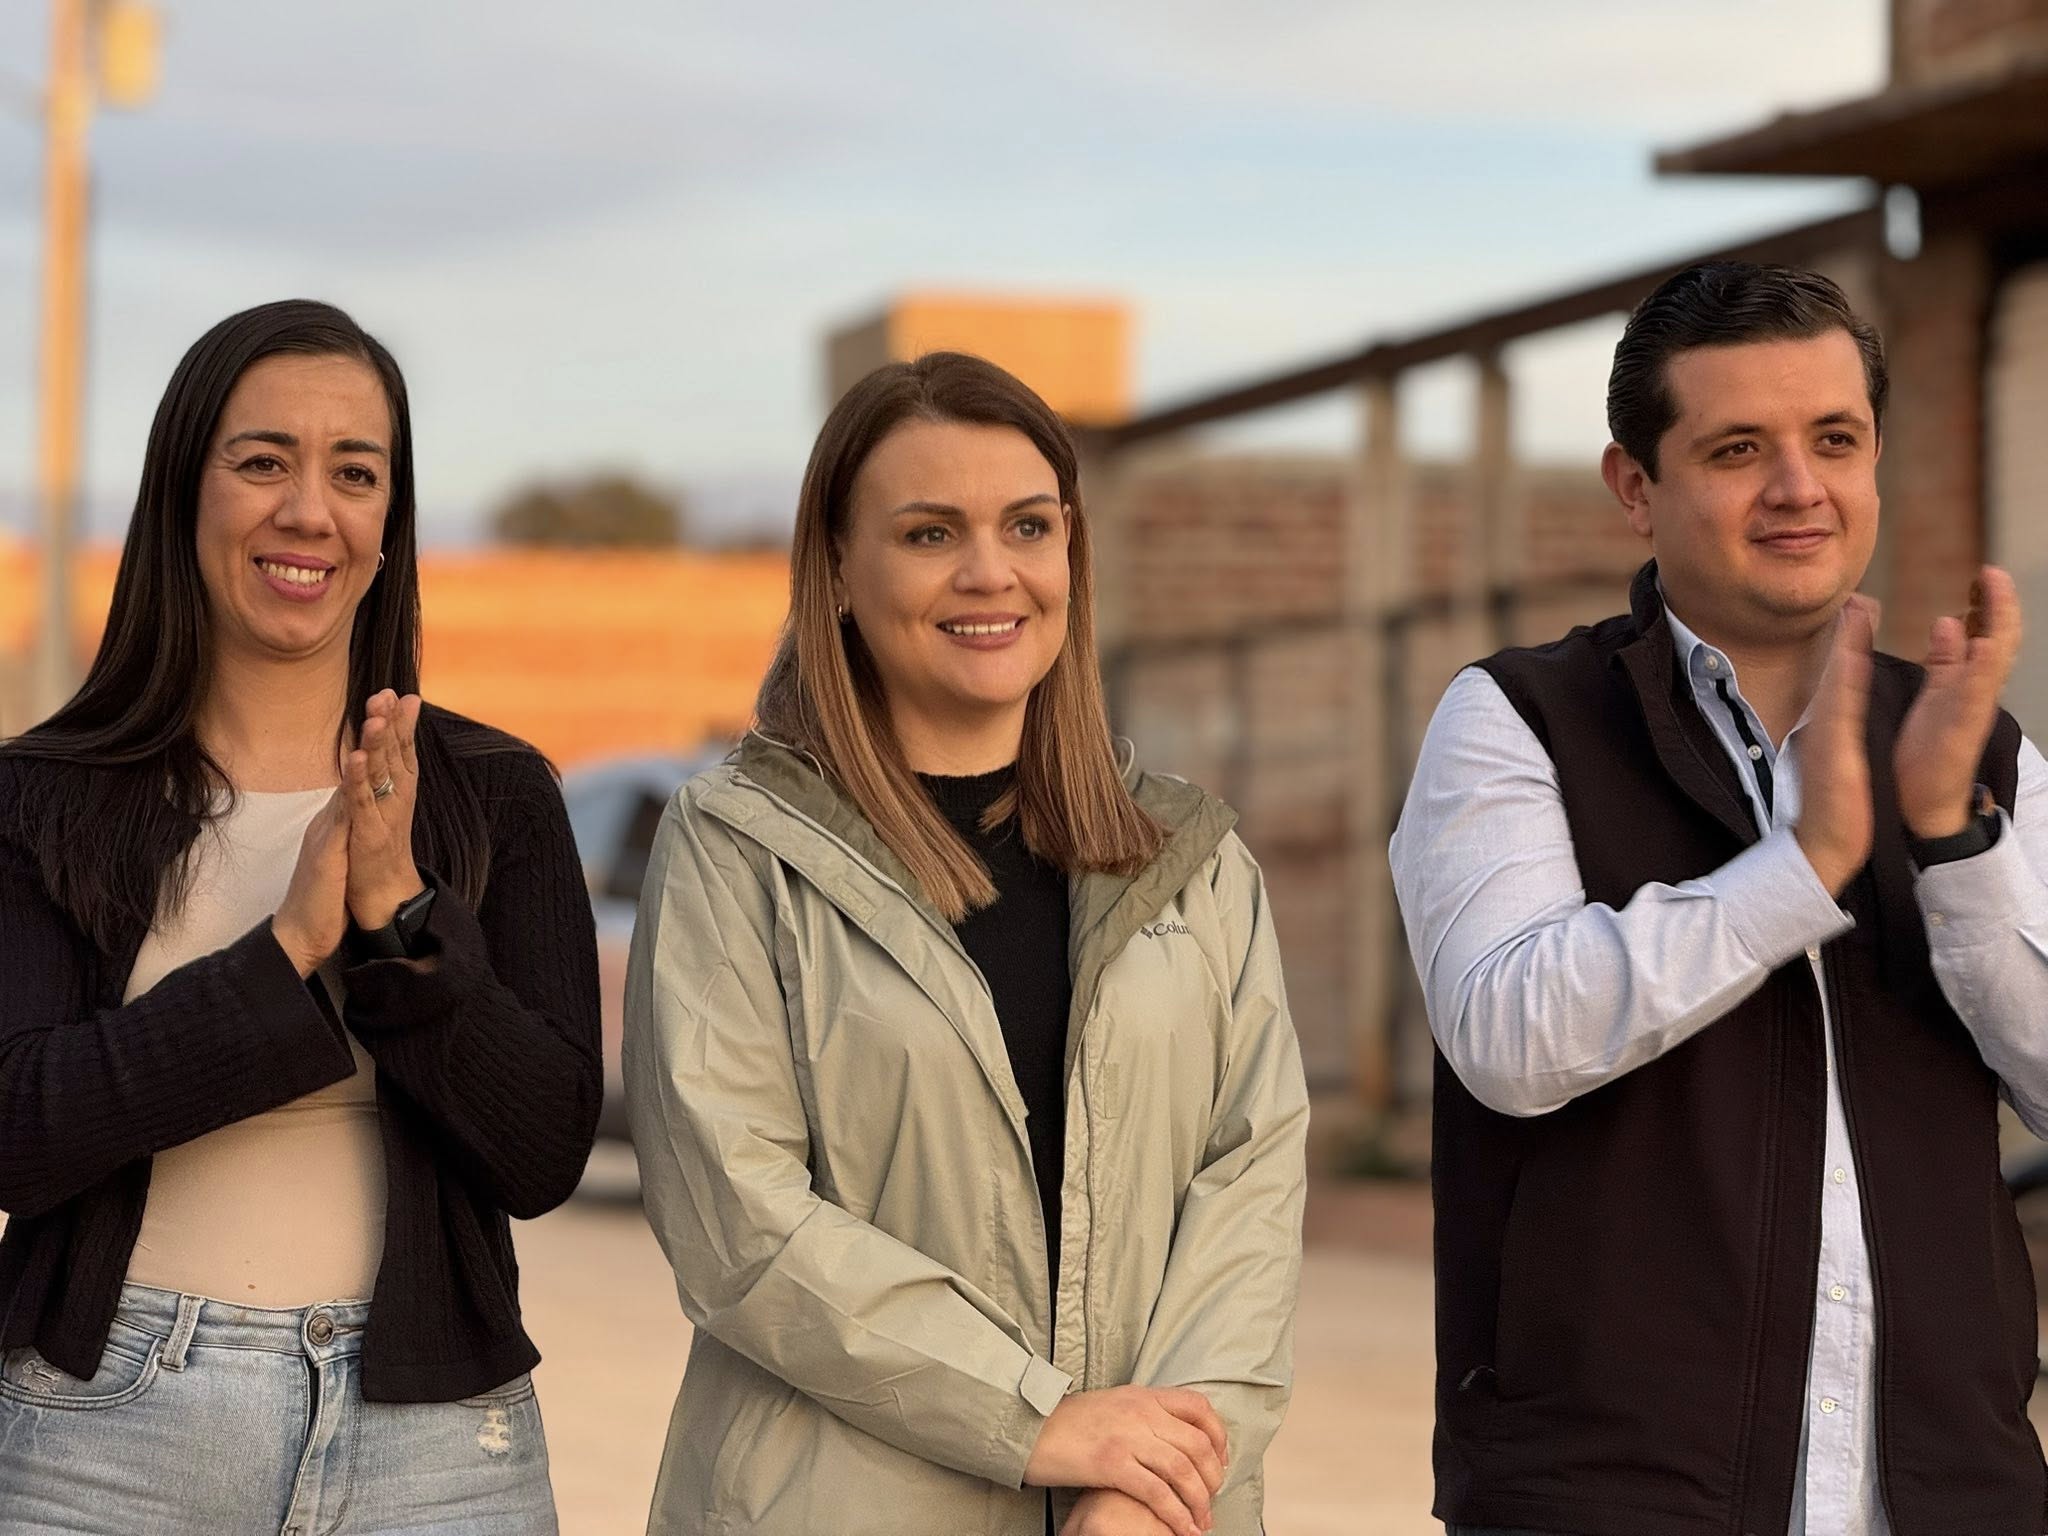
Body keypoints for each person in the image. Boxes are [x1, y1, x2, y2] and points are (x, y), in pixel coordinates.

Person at [1392, 261, 2048, 1536]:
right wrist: (1795, 873)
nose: (1797, 487)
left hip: (1947, 1499)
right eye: (1737, 448)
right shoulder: (1517, 718)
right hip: (1612, 1501)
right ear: (1634, 486)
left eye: (1833, 440)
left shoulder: (1975, 747)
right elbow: (1506, 1039)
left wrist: (1950, 845)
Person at [624, 351, 1308, 1536]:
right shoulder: (736, 849)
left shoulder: (1190, 862)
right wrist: (1039, 1421)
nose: (990, 572)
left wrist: (1145, 1479)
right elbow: (736, 1218)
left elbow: (1249, 1185)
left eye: (1026, 526)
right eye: (929, 533)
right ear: (837, 569)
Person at [0, 300, 602, 1534]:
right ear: (186, 491)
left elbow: (542, 1153)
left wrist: (398, 917)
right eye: (264, 461)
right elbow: (15, 1133)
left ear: (389, 526)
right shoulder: (42, 796)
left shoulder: (493, 796)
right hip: (102, 1438)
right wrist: (280, 958)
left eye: (355, 473)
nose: (309, 511)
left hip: (437, 1453)